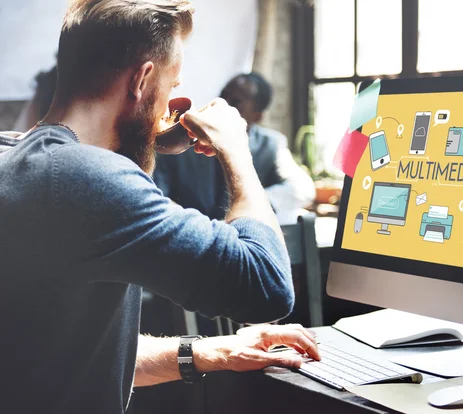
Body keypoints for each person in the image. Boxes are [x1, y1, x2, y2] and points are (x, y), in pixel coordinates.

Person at [0, 1, 319, 413]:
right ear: (143, 79)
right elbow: (267, 286)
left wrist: (214, 351)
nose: (168, 105)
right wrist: (237, 151)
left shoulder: (16, 156)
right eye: (171, 87)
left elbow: (67, 354)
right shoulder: (86, 178)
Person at [154, 72, 316, 224]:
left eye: (236, 102)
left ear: (257, 116)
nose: (224, 104)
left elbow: (302, 188)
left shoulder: (270, 145)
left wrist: (250, 205)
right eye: (223, 95)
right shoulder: (182, 141)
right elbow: (157, 195)